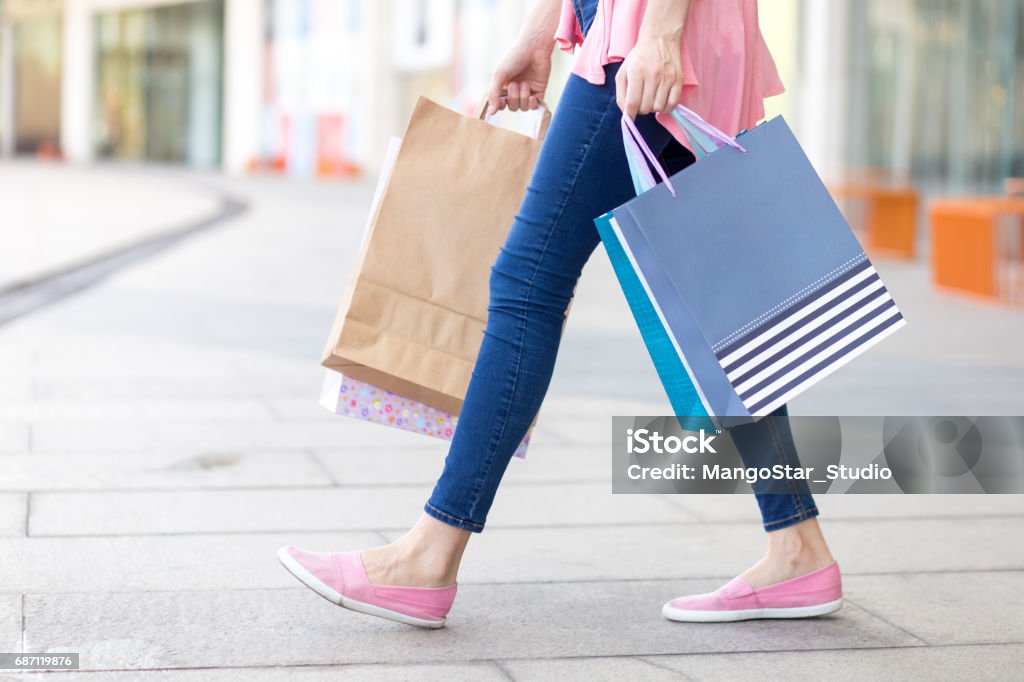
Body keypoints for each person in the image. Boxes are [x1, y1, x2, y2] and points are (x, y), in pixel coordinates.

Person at [278, 0, 842, 628]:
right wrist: (540, 33)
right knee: (710, 302)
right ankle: (798, 547)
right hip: (648, 32)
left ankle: (428, 556)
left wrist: (660, 32)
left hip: (643, 35)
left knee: (528, 281)